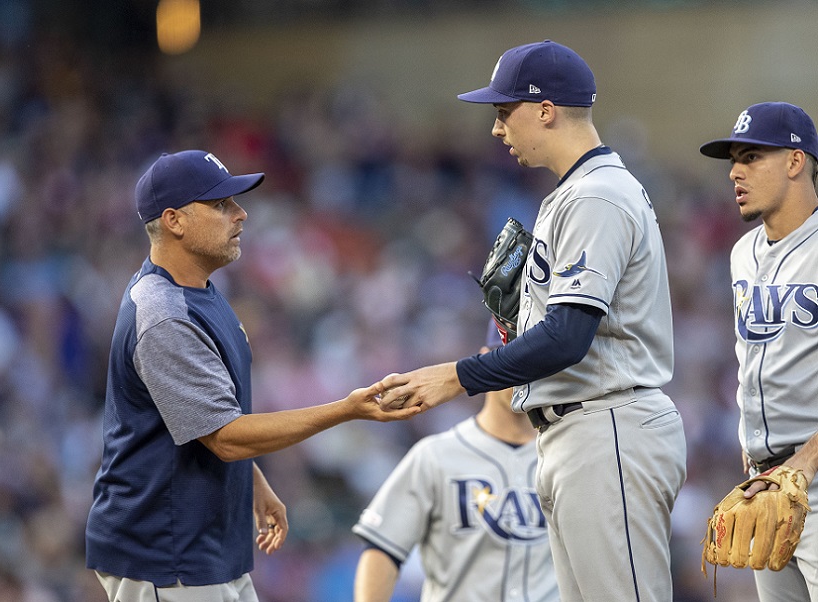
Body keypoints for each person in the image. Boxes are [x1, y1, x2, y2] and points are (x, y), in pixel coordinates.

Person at [377, 40, 687, 601]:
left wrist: (455, 376)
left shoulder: (598, 195)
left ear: (545, 110)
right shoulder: (574, 193)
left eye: (504, 112)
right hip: (580, 429)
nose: (498, 130)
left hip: (607, 426)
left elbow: (567, 338)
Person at [84, 150, 421, 602]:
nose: (240, 214)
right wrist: (346, 409)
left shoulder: (199, 290)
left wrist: (254, 483)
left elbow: (205, 417)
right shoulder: (165, 315)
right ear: (174, 221)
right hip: (165, 553)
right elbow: (224, 436)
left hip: (203, 544)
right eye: (221, 204)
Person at [699, 101, 818, 602]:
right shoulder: (741, 253)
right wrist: (757, 470)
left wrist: (807, 461)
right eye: (733, 160)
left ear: (795, 161)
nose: (735, 172)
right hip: (769, 485)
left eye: (750, 157)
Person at [352, 321, 559, 602]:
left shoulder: (565, 458)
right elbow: (382, 549)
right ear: (487, 358)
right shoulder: (435, 455)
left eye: (532, 363)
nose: (521, 373)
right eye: (511, 358)